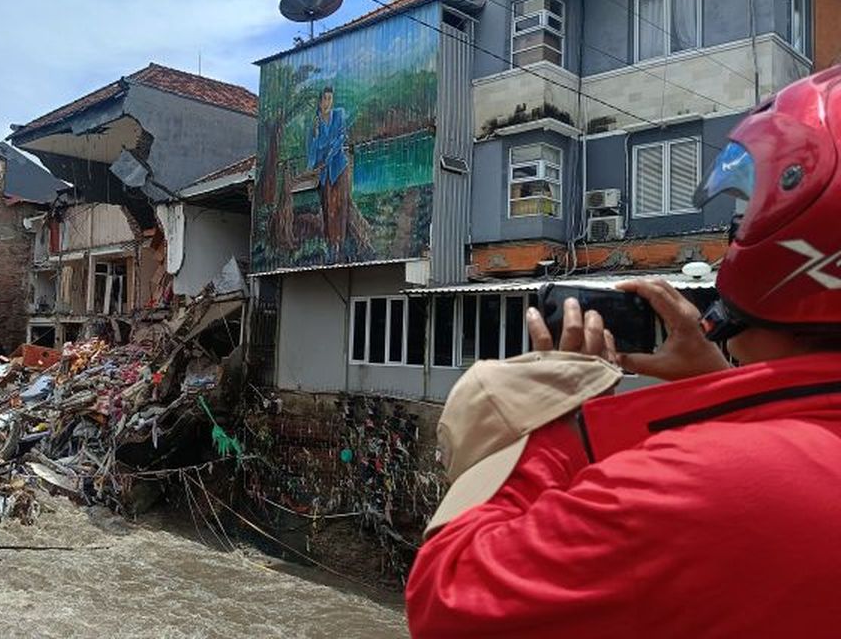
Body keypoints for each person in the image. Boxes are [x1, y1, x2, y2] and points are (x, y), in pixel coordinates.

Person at [406, 66, 841, 638]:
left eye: (744, 213)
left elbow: (449, 599)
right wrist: (716, 386)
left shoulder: (696, 485)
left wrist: (552, 425)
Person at [306, 86, 352, 257]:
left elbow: (341, 137)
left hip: (338, 166)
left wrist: (329, 154)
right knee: (328, 208)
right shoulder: (316, 123)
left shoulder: (339, 114)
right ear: (319, 101)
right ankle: (331, 246)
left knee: (341, 205)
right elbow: (314, 151)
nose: (327, 102)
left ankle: (341, 244)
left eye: (330, 98)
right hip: (325, 172)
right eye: (324, 99)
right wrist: (316, 134)